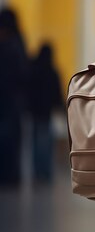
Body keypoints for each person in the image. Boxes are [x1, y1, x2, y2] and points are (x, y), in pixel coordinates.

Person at [0, 6, 29, 187]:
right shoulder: (19, 43)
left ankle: (8, 176)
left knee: (7, 140)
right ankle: (11, 176)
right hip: (14, 102)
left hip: (7, 102)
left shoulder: (8, 45)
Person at [27, 43, 63, 184]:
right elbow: (57, 93)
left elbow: (27, 91)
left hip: (35, 112)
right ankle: (46, 173)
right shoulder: (52, 71)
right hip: (47, 113)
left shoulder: (33, 69)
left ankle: (37, 173)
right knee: (46, 143)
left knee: (35, 143)